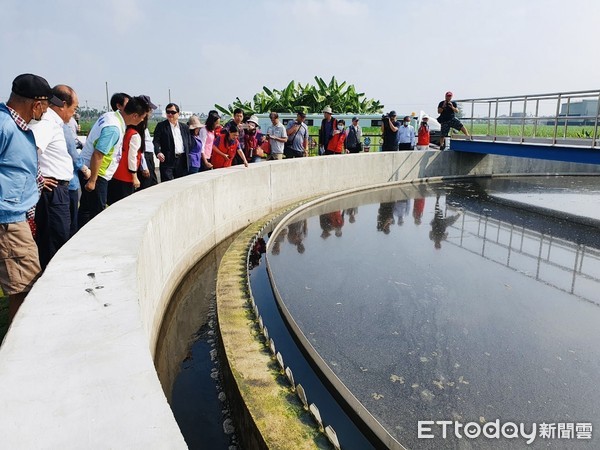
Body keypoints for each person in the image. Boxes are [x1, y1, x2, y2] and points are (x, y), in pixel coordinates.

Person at [0, 73, 62, 322]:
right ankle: (17, 351)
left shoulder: (19, 128)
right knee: (25, 288)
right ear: (37, 104)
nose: (47, 112)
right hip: (8, 220)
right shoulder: (5, 127)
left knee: (23, 287)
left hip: (18, 217)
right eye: (47, 105)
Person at [78, 96, 150, 229]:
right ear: (134, 115)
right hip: (97, 173)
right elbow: (98, 154)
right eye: (142, 117)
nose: (142, 120)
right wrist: (93, 180)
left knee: (86, 208)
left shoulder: (111, 116)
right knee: (96, 212)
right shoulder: (114, 129)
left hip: (94, 170)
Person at [28, 84, 79, 269]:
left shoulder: (52, 122)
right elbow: (28, 151)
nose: (74, 113)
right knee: (54, 242)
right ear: (63, 105)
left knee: (59, 238)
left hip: (58, 190)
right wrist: (39, 178)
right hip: (52, 192)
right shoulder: (47, 122)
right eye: (74, 109)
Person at [107, 116, 148, 204]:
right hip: (126, 175)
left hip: (117, 172)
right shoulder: (135, 135)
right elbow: (132, 157)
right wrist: (135, 177)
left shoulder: (126, 132)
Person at [153, 103, 192, 181]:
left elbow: (189, 142)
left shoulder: (184, 127)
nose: (170, 114)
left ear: (178, 114)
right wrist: (158, 152)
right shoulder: (161, 126)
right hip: (168, 161)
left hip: (182, 161)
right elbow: (156, 141)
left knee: (181, 184)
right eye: (168, 112)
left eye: (173, 112)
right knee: (168, 184)